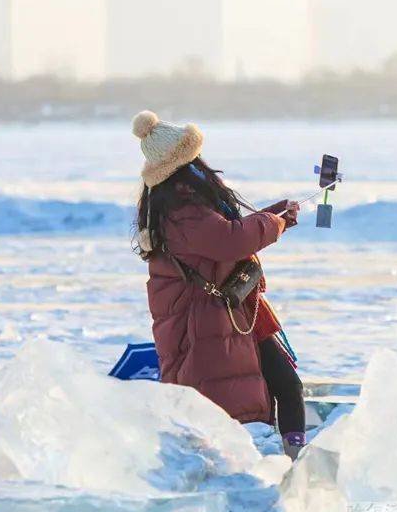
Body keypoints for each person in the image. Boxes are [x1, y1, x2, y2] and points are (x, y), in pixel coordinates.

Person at [131, 110, 307, 459]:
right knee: (264, 394)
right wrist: (273, 223)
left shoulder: (178, 202)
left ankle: (291, 458)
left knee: (285, 385)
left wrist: (274, 217)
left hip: (229, 313)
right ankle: (290, 463)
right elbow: (228, 241)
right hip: (208, 320)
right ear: (183, 161)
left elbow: (225, 235)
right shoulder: (182, 206)